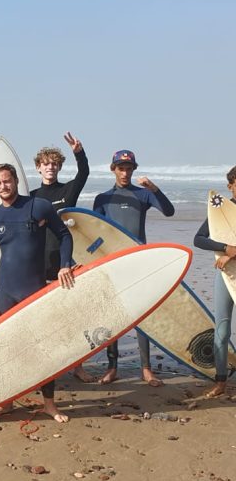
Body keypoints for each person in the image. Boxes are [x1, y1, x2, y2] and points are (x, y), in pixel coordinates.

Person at [0, 163, 75, 422]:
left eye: (7, 181)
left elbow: (64, 235)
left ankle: (49, 405)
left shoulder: (38, 206)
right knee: (6, 349)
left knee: (43, 349)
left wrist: (65, 265)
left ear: (16, 181)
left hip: (34, 290)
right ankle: (7, 402)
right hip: (6, 293)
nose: (3, 186)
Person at [93, 150, 175, 386]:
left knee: (141, 316)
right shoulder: (103, 199)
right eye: (121, 168)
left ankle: (146, 369)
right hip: (113, 264)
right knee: (112, 315)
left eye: (129, 169)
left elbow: (169, 211)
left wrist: (154, 189)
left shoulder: (143, 195)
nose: (125, 173)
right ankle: (112, 368)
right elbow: (94, 234)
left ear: (133, 170)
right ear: (113, 169)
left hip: (139, 262)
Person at [30, 132, 94, 383]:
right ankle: (45, 365)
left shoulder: (67, 192)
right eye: (46, 164)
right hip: (39, 263)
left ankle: (78, 366)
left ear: (59, 167)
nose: (50, 168)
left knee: (74, 316)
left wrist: (79, 153)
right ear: (38, 167)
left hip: (65, 262)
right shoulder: (31, 197)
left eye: (54, 164)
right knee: (42, 317)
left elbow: (84, 174)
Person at [193, 165, 236, 397]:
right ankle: (220, 381)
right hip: (225, 276)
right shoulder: (220, 212)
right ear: (230, 186)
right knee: (222, 329)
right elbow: (199, 239)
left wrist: (231, 254)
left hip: (229, 266)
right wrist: (224, 248)